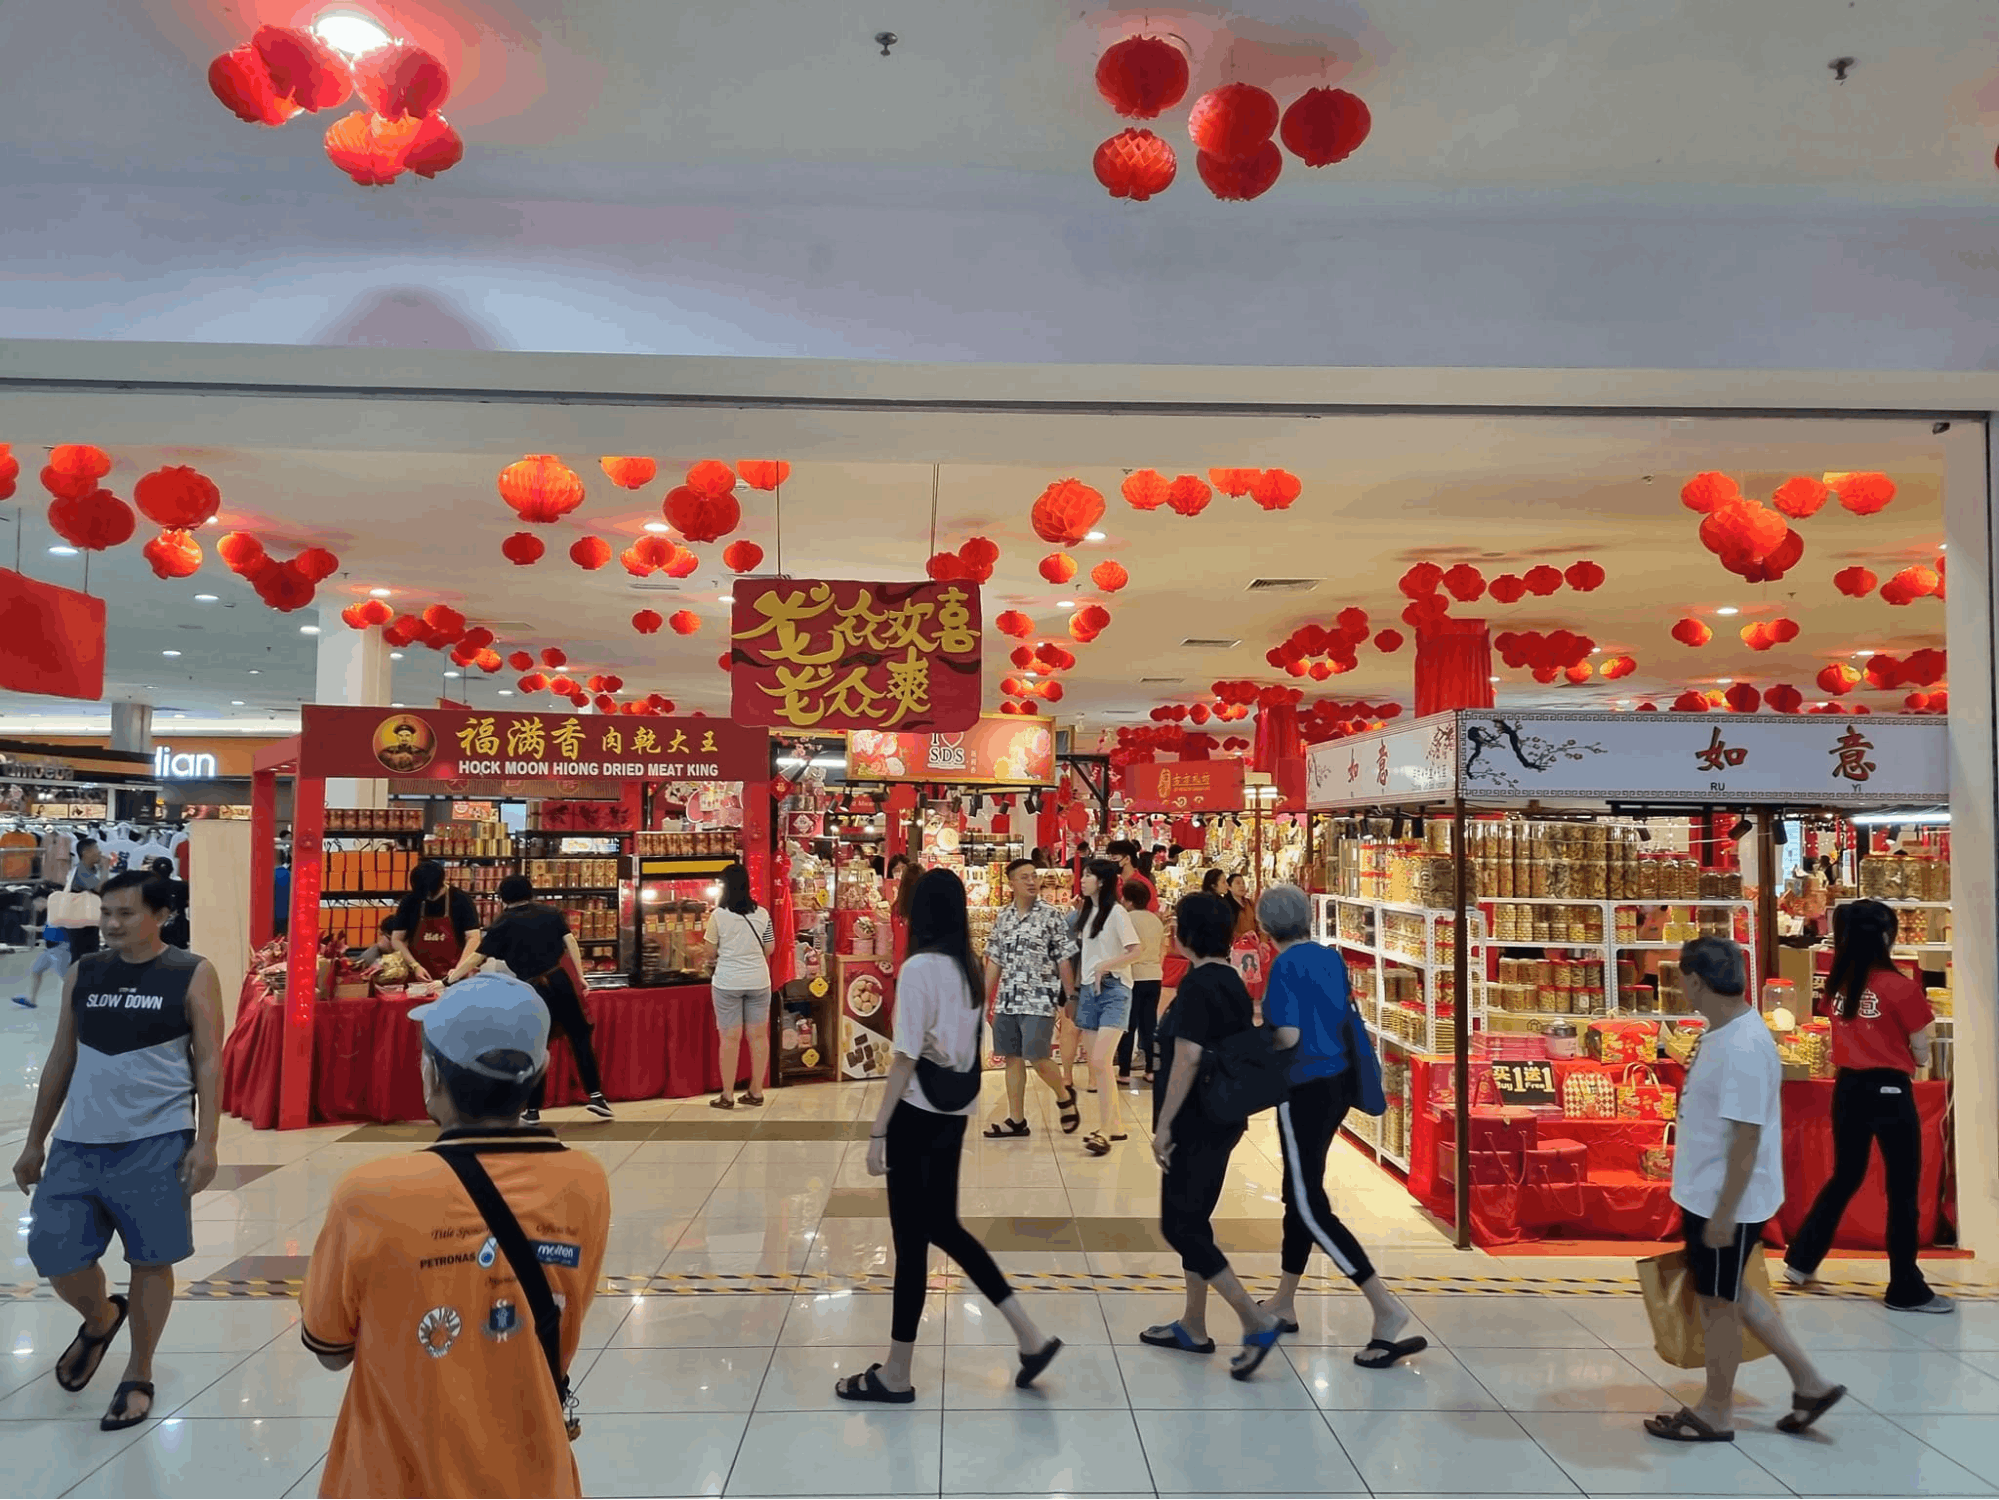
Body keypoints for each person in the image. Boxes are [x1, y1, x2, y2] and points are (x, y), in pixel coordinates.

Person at [300, 973, 610, 1498]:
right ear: (541, 1072)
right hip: (535, 1476)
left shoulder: (369, 1194)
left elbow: (330, 1347)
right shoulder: (585, 1181)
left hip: (395, 1479)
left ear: (430, 1075)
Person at [836, 868, 1062, 1402]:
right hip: (954, 1111)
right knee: (944, 1226)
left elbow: (904, 1056)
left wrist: (878, 1129)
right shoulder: (969, 968)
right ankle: (1028, 1335)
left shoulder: (919, 969)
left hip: (916, 1112)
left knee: (912, 1243)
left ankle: (896, 1374)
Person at [12, 870, 223, 1431]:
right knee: (54, 1252)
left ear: (162, 916)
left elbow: (208, 1061)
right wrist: (34, 1141)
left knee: (150, 1259)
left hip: (157, 1139)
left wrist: (206, 1142)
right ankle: (101, 1317)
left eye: (125, 913)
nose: (111, 923)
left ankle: (139, 1371)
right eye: (106, 913)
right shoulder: (84, 971)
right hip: (77, 1140)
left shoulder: (192, 972)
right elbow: (62, 1056)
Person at [1645, 937, 1846, 1444]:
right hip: (1709, 1193)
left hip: (1724, 1199)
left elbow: (1747, 1137)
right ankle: (1810, 1383)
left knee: (1718, 1303)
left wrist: (1723, 1213)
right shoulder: (1726, 1031)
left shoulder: (1742, 1047)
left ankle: (1717, 1411)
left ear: (1695, 981)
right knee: (1731, 1290)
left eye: (1682, 980)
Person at [1253, 885, 1423, 1367]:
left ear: (1265, 927)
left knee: (1309, 1205)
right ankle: (1284, 1300)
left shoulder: (1284, 965)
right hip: (1337, 1084)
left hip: (1302, 1086)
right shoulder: (1329, 957)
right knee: (1300, 1194)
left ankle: (1385, 1308)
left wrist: (1253, 1038)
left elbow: (1288, 1035)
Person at [1141, 892, 1286, 1378]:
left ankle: (1254, 1320)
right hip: (1222, 1117)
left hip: (1195, 1121)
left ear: (1188, 933)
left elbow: (1187, 1057)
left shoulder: (1199, 985)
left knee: (1179, 1226)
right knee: (1194, 1220)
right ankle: (1193, 1324)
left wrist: (1164, 1125)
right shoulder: (1228, 979)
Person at [1784, 899, 1952, 1313]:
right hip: (1890, 1090)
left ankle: (1801, 1259)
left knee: (1845, 1175)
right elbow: (1921, 1048)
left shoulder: (1837, 984)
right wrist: (1909, 1057)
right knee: (1902, 1187)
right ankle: (1905, 1286)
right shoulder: (1900, 986)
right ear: (1884, 936)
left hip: (1847, 1088)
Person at [448, 876, 613, 1123]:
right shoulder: (551, 913)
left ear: (502, 897)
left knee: (536, 1046)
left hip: (532, 988)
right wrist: (580, 976)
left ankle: (533, 1109)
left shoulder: (503, 923)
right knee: (579, 1037)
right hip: (561, 981)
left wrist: (448, 980)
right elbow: (571, 943)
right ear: (531, 892)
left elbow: (477, 957)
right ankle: (597, 1096)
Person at [982, 857, 1078, 1140]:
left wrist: (1071, 995)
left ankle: (1063, 1095)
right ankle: (1016, 1119)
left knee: (1037, 1055)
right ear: (1011, 883)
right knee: (1011, 1057)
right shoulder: (1004, 916)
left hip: (1039, 997)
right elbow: (994, 960)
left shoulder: (1051, 915)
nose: (1031, 881)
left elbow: (1064, 958)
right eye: (1024, 877)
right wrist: (984, 998)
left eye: (1034, 876)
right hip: (1007, 998)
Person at [1073, 859, 1141, 1155]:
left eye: (1088, 875)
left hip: (1115, 989)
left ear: (1101, 881)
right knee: (1097, 1065)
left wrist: (1106, 965)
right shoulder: (1087, 912)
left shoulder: (1117, 913)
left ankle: (1105, 1130)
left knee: (1101, 1061)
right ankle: (1113, 1126)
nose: (1082, 879)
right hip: (1089, 990)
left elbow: (1136, 951)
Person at [701, 862, 776, 1110]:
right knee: (758, 1037)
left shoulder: (718, 916)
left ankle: (727, 1095)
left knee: (730, 1039)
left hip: (728, 983)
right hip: (759, 981)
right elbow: (769, 948)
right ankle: (756, 1091)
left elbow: (709, 952)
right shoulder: (762, 914)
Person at [385, 859, 483, 983]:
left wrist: (460, 969)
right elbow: (397, 939)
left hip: (454, 975)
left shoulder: (461, 900)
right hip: (418, 977)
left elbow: (473, 938)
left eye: (429, 894)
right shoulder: (410, 901)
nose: (426, 897)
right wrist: (415, 966)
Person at [1115, 878, 1165, 1084]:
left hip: (1132, 977)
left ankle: (1124, 1072)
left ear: (1128, 900)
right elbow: (1162, 948)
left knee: (1128, 1025)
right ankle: (1151, 1069)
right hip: (1154, 976)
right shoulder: (1155, 920)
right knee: (1149, 1024)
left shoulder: (1126, 919)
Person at [11, 888, 68, 1009]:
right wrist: (36, 930)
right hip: (49, 949)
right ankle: (32, 1000)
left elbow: (56, 930)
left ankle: (80, 1000)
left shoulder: (57, 911)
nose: (35, 907)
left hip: (59, 949)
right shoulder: (51, 911)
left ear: (41, 900)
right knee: (36, 970)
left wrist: (33, 928)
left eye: (35, 903)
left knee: (66, 977)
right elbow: (49, 929)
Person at [58, 838, 106, 960]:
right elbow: (102, 889)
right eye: (96, 848)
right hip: (80, 923)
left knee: (87, 955)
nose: (100, 852)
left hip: (85, 920)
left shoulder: (89, 870)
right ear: (86, 852)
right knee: (82, 956)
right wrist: (105, 869)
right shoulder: (82, 870)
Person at [148, 858, 191, 949]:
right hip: (178, 935)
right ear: (171, 870)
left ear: (153, 870)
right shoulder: (183, 886)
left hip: (154, 937)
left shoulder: (144, 888)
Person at [1106, 839, 1156, 909]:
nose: (1111, 862)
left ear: (1127, 859)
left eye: (1114, 859)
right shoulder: (1114, 883)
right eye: (1110, 859)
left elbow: (1151, 911)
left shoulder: (1144, 884)